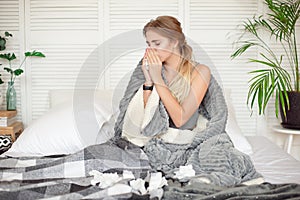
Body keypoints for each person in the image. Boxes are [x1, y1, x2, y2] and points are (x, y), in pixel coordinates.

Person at [113, 15, 262, 186]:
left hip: (188, 139)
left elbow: (181, 118)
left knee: (220, 157)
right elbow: (141, 119)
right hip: (154, 140)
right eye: (148, 44)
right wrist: (148, 81)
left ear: (174, 42)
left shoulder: (199, 72)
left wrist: (157, 79)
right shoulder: (146, 70)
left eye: (157, 43)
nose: (151, 50)